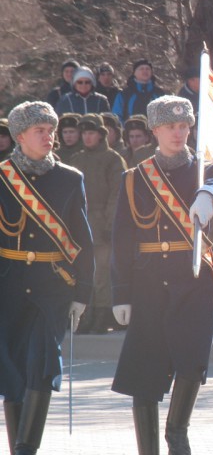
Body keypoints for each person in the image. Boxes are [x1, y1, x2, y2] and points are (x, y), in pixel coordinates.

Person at [110, 95, 213, 454]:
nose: (178, 133)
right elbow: (122, 240)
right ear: (155, 130)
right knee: (144, 376)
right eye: (170, 126)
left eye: (184, 126)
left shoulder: (206, 168)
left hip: (193, 282)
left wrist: (209, 193)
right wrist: (121, 293)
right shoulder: (135, 178)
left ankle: (177, 435)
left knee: (191, 364)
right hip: (148, 285)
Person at [0, 101, 94, 455]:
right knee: (10, 369)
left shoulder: (70, 178)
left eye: (51, 130)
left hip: (53, 287)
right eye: (40, 131)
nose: (48, 137)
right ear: (19, 136)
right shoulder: (3, 177)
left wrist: (84, 290)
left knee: (42, 361)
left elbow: (83, 240)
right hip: (8, 286)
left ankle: (26, 449)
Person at [70, 114, 126, 335]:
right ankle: (85, 315)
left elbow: (117, 194)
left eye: (91, 132)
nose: (87, 137)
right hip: (79, 221)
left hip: (102, 221)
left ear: (102, 134)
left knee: (101, 272)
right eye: (84, 133)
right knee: (82, 271)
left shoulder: (113, 159)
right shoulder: (76, 160)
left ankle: (102, 316)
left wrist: (110, 223)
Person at [112, 59, 166, 123]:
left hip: (155, 131)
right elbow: (116, 116)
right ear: (134, 72)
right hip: (130, 131)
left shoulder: (159, 93)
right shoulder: (124, 94)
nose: (145, 71)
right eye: (141, 69)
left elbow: (165, 114)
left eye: (147, 69)